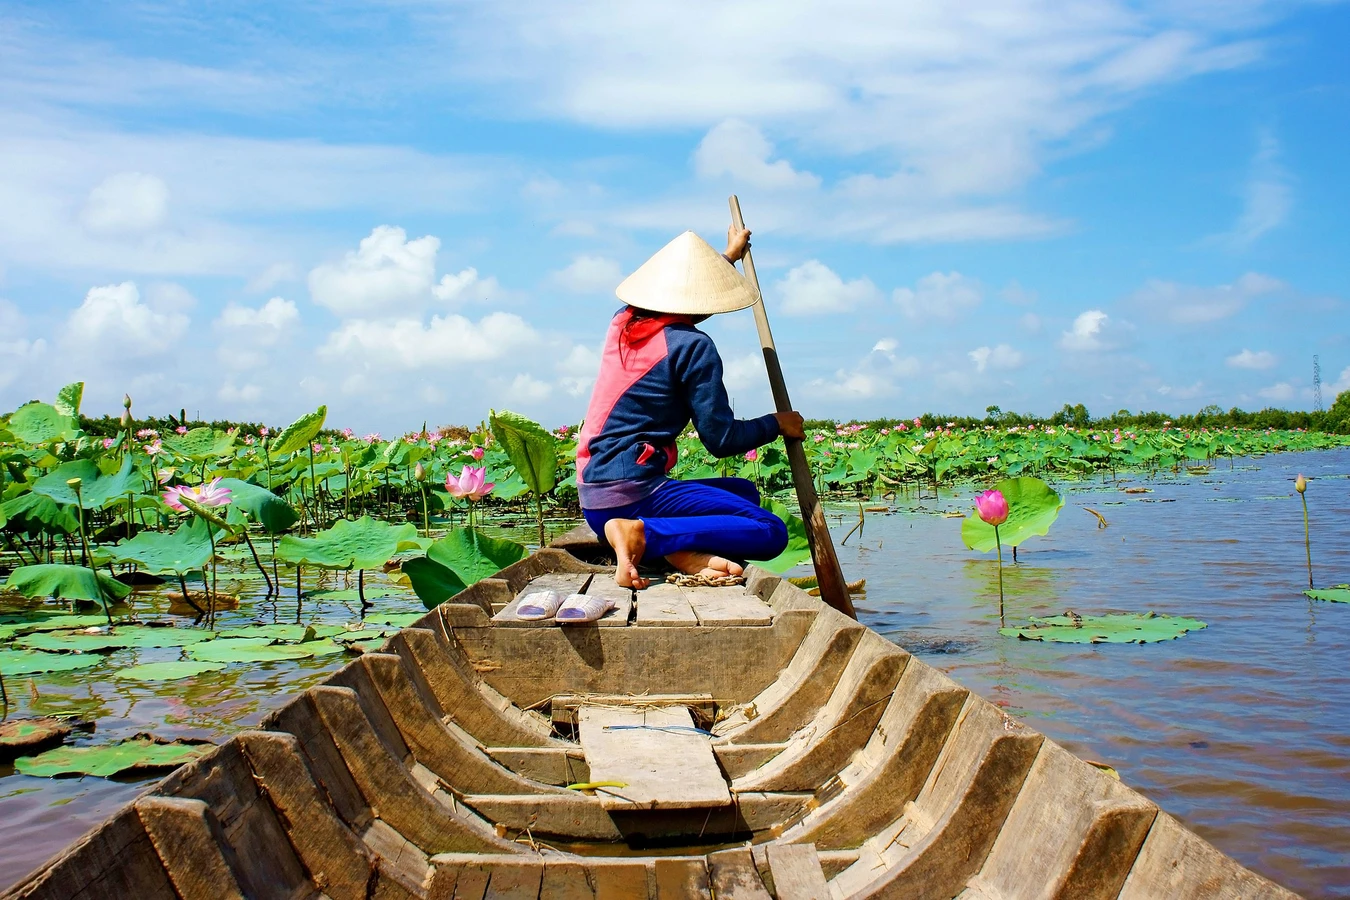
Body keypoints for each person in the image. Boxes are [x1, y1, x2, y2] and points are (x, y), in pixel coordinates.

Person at [576, 224, 806, 588]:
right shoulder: (693, 347)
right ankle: (646, 535)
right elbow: (721, 438)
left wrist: (727, 256)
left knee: (744, 493)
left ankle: (670, 547)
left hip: (594, 497)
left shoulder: (622, 322)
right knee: (770, 529)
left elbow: (684, 298)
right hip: (632, 495)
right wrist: (777, 424)